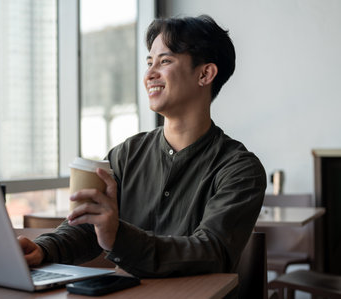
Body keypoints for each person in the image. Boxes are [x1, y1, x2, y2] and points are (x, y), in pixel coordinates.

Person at [18, 15, 266, 278]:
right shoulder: (127, 154)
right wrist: (42, 249)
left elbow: (211, 252)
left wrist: (117, 236)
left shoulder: (240, 169)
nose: (149, 74)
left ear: (205, 73)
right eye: (149, 62)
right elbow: (88, 226)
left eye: (165, 61)